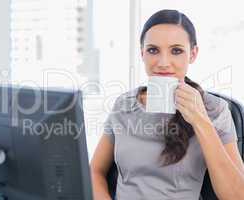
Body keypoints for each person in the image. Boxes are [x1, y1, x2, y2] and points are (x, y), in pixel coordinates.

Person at [90, 9, 244, 200]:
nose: (163, 62)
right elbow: (95, 170)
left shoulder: (215, 110)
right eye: (153, 50)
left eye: (176, 51)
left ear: (193, 54)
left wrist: (200, 119)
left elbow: (237, 195)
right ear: (142, 53)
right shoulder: (124, 105)